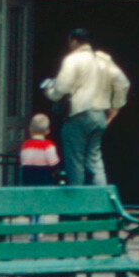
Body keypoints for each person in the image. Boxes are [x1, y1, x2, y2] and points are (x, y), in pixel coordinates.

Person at [39, 28, 128, 186]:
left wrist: (50, 93)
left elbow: (62, 88)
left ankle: (76, 200)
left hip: (79, 114)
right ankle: (100, 199)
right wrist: (115, 107)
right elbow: (123, 83)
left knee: (75, 162)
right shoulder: (104, 60)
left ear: (74, 41)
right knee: (95, 161)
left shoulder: (73, 59)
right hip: (99, 115)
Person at [19, 113, 61, 185]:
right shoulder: (48, 145)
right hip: (44, 176)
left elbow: (23, 160)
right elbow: (53, 163)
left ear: (30, 129)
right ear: (47, 131)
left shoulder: (25, 145)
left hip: (28, 175)